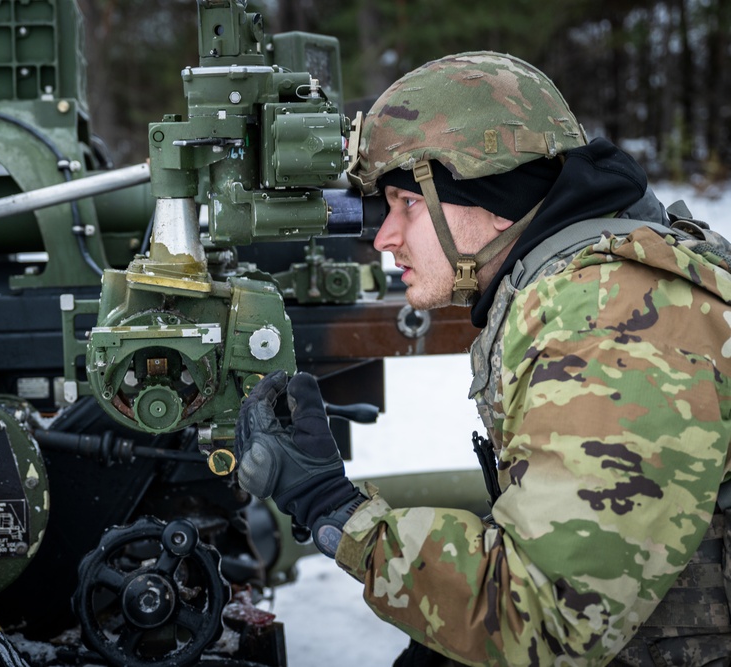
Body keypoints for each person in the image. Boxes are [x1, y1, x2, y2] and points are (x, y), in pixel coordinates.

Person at [235, 51, 731, 666]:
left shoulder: (609, 323)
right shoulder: (588, 279)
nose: (384, 238)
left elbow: (544, 621)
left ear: (493, 194)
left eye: (407, 204)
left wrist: (332, 507)